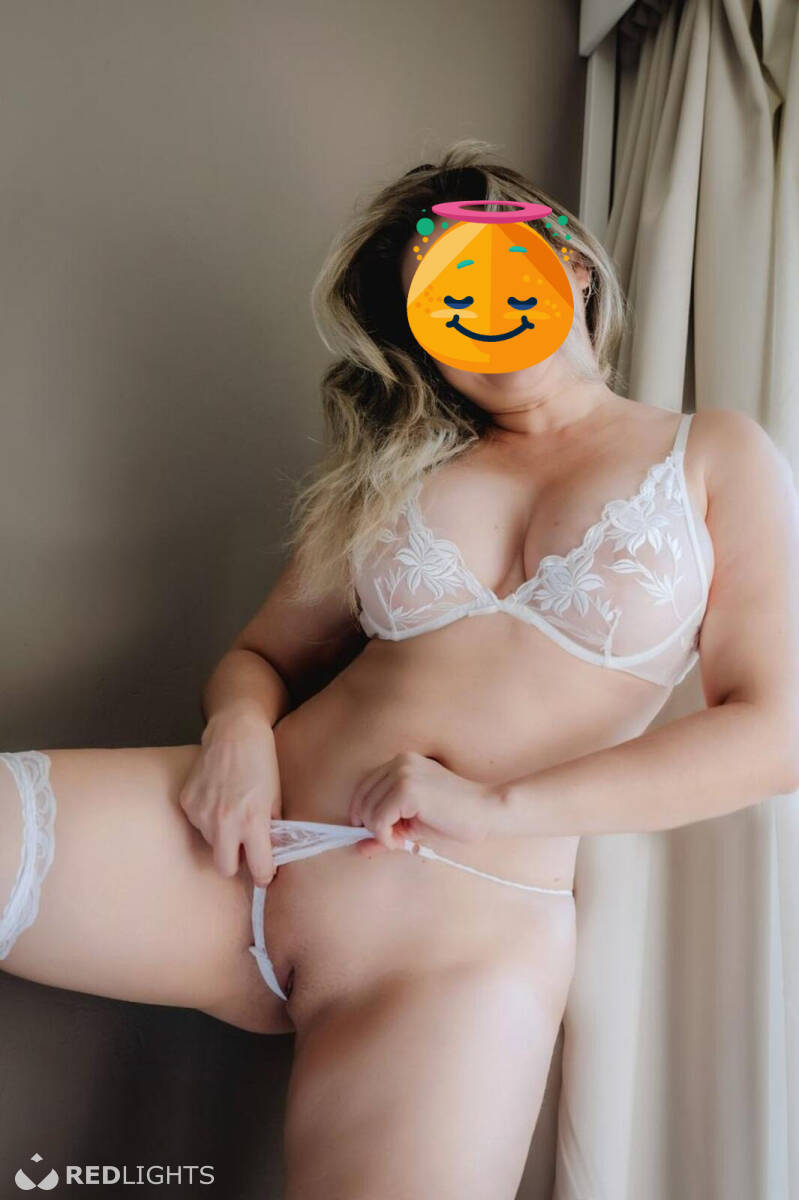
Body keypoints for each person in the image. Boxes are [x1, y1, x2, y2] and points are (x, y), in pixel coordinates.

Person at [2, 140, 798, 1200]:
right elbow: (259, 656)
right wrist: (235, 735)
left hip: (450, 949)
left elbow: (775, 732)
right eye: (438, 304)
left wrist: (495, 804)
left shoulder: (712, 454)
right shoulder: (399, 472)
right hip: (221, 852)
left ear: (569, 265)